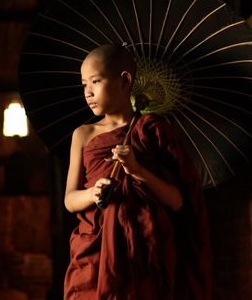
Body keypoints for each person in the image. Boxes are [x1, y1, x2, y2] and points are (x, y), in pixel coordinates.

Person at [63, 44, 212, 299]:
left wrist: (137, 170)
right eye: (83, 84)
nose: (87, 92)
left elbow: (177, 202)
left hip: (145, 249)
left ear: (124, 80)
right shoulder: (83, 135)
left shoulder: (151, 130)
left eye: (95, 82)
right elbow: (69, 200)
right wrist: (93, 193)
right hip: (94, 252)